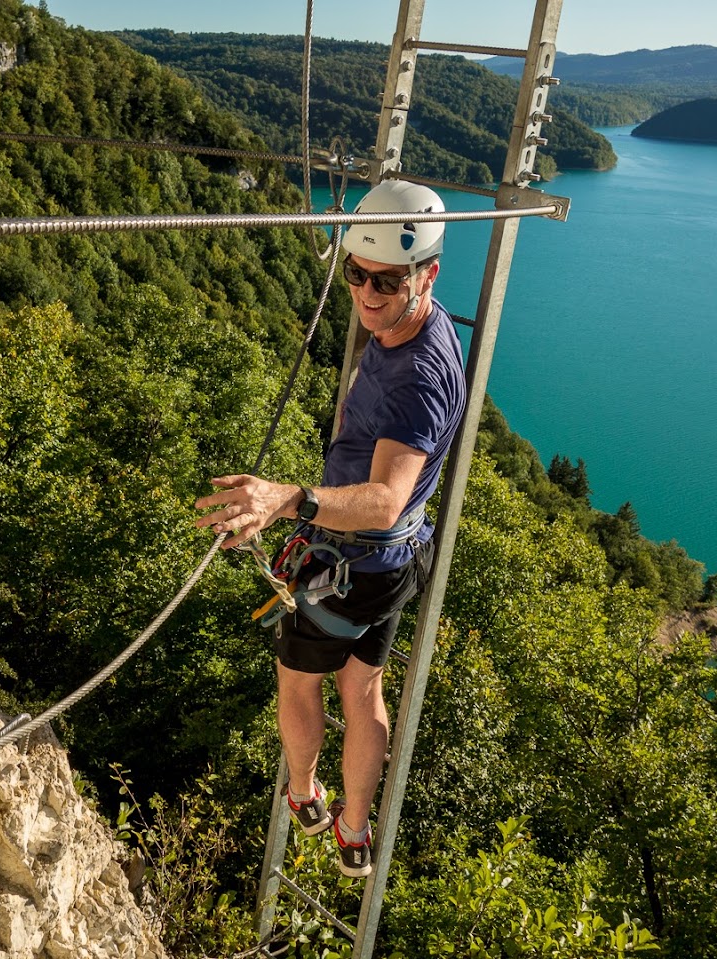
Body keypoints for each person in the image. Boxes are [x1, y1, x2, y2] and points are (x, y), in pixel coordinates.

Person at [194, 180, 467, 878]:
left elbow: (382, 500)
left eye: (386, 280)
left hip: (353, 563)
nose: (366, 293)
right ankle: (354, 829)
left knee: (297, 682)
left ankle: (303, 793)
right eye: (355, 273)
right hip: (392, 564)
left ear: (428, 274)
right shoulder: (419, 327)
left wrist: (288, 499)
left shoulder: (417, 380)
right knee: (362, 688)